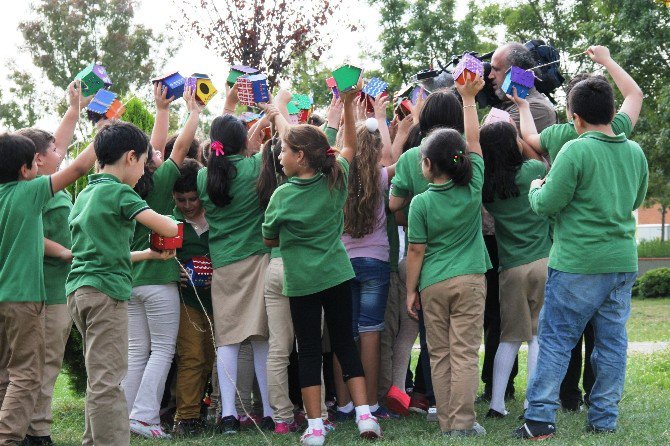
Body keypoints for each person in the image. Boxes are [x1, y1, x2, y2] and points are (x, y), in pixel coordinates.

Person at [515, 76, 648, 439]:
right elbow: (635, 201)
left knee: (557, 340)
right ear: (610, 110)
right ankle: (603, 419)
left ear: (575, 118)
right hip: (621, 260)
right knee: (612, 343)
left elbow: (546, 205)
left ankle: (539, 419)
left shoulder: (575, 150)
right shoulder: (634, 152)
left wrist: (535, 186)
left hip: (577, 261)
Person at [261, 89, 383, 446]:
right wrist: (347, 106)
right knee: (346, 343)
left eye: (284, 150)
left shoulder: (281, 196)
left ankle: (315, 427)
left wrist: (290, 237)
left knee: (309, 350)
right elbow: (349, 148)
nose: (280, 155)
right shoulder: (337, 178)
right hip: (336, 275)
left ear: (300, 157)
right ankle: (365, 416)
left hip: (301, 282)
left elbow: (269, 239)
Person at [66, 121, 179, 446]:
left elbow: (105, 253)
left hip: (81, 292)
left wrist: (147, 254)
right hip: (105, 295)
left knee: (98, 376)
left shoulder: (88, 192)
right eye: (144, 163)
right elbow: (167, 228)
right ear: (131, 157)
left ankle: (93, 439)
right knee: (109, 380)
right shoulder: (120, 193)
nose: (144, 171)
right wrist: (173, 223)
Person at [0, 110, 97, 445]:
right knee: (27, 374)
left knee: (4, 374)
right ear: (28, 168)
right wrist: (106, 134)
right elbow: (80, 168)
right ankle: (10, 438)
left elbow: (62, 156)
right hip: (23, 297)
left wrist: (73, 109)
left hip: (3, 298)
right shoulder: (28, 194)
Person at [405, 76, 490, 437]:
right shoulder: (473, 187)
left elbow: (415, 250)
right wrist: (469, 100)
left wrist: (411, 291)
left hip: (433, 283)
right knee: (465, 353)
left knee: (438, 353)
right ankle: (464, 424)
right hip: (470, 278)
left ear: (426, 166)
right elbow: (473, 142)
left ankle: (446, 422)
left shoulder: (420, 203)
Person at [122, 85, 201, 439]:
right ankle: (144, 417)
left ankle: (125, 414)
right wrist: (193, 111)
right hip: (157, 280)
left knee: (138, 351)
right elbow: (180, 146)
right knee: (164, 350)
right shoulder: (161, 181)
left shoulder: (125, 188)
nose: (155, 152)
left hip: (130, 280)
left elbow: (157, 146)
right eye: (151, 153)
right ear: (148, 162)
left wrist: (160, 108)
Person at [388, 90, 466, 417]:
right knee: (456, 337)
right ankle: (440, 398)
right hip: (461, 257)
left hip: (419, 258)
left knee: (414, 331)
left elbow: (393, 206)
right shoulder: (465, 155)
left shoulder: (410, 158)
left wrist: (415, 217)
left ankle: (401, 390)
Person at [197, 111, 273, 434]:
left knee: (227, 341)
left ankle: (228, 414)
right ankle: (269, 411)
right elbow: (254, 152)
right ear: (242, 141)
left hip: (223, 264)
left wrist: (249, 130)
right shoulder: (255, 167)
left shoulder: (204, 178)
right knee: (261, 339)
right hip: (256, 260)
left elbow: (239, 150)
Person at [479, 120, 551, 419]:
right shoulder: (531, 173)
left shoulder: (487, 187)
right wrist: (520, 135)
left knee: (509, 337)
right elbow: (543, 162)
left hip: (510, 268)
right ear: (514, 144)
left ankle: (497, 403)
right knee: (536, 336)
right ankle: (530, 403)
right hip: (544, 262)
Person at [335, 96, 397, 421]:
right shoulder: (383, 177)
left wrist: (354, 119)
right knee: (371, 333)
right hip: (376, 263)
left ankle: (344, 404)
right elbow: (391, 155)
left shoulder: (337, 179)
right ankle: (370, 405)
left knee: (345, 334)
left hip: (342, 264)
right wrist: (383, 119)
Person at [171, 159, 215, 437]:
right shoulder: (169, 220)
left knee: (211, 356)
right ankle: (184, 418)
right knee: (191, 356)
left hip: (217, 299)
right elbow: (158, 255)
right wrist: (173, 271)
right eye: (181, 200)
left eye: (192, 199)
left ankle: (203, 409)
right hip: (185, 301)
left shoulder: (218, 215)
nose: (187, 205)